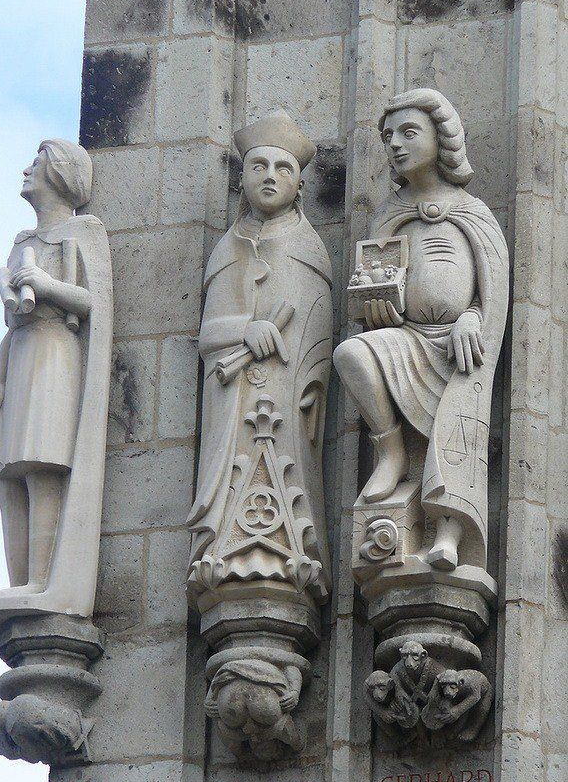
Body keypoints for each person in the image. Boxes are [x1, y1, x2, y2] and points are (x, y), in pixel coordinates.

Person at [334, 89, 509, 570]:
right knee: (351, 354)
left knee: (459, 423)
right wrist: (376, 306)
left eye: (409, 133)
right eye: (389, 136)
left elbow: (493, 288)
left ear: (442, 138)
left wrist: (473, 316)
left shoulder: (473, 214)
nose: (395, 144)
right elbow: (379, 275)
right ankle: (390, 450)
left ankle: (449, 534)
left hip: (458, 348)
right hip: (407, 340)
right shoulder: (390, 216)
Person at [187, 110, 333, 586]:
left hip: (288, 406)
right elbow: (207, 336)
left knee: (291, 470)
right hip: (232, 406)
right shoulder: (226, 248)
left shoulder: (308, 248)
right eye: (259, 166)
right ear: (243, 178)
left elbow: (317, 346)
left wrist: (302, 381)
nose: (270, 176)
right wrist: (245, 328)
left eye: (282, 168)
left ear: (299, 185)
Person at [0, 140, 112, 610]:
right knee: (7, 476)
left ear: (59, 173)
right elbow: (10, 327)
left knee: (41, 465)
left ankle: (43, 580)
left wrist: (44, 284)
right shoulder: (22, 242)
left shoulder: (83, 231)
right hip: (21, 355)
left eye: (35, 162)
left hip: (56, 354)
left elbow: (92, 301)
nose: (26, 169)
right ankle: (21, 580)